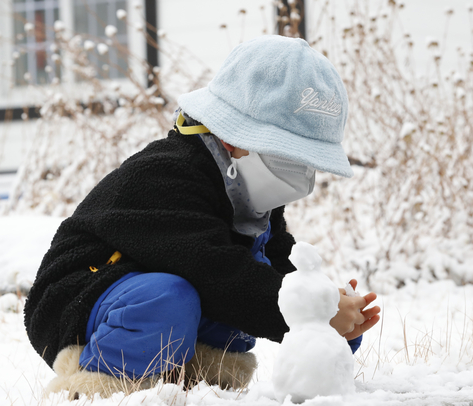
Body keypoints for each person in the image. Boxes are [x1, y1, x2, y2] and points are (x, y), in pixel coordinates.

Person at [24, 35, 381, 399]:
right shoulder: (165, 174)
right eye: (289, 157)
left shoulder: (244, 187)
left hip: (169, 287)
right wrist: (306, 313)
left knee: (246, 271)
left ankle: (192, 383)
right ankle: (103, 388)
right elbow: (217, 272)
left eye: (310, 163)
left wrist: (325, 309)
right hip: (81, 300)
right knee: (178, 296)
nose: (302, 177)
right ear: (232, 136)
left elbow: (274, 263)